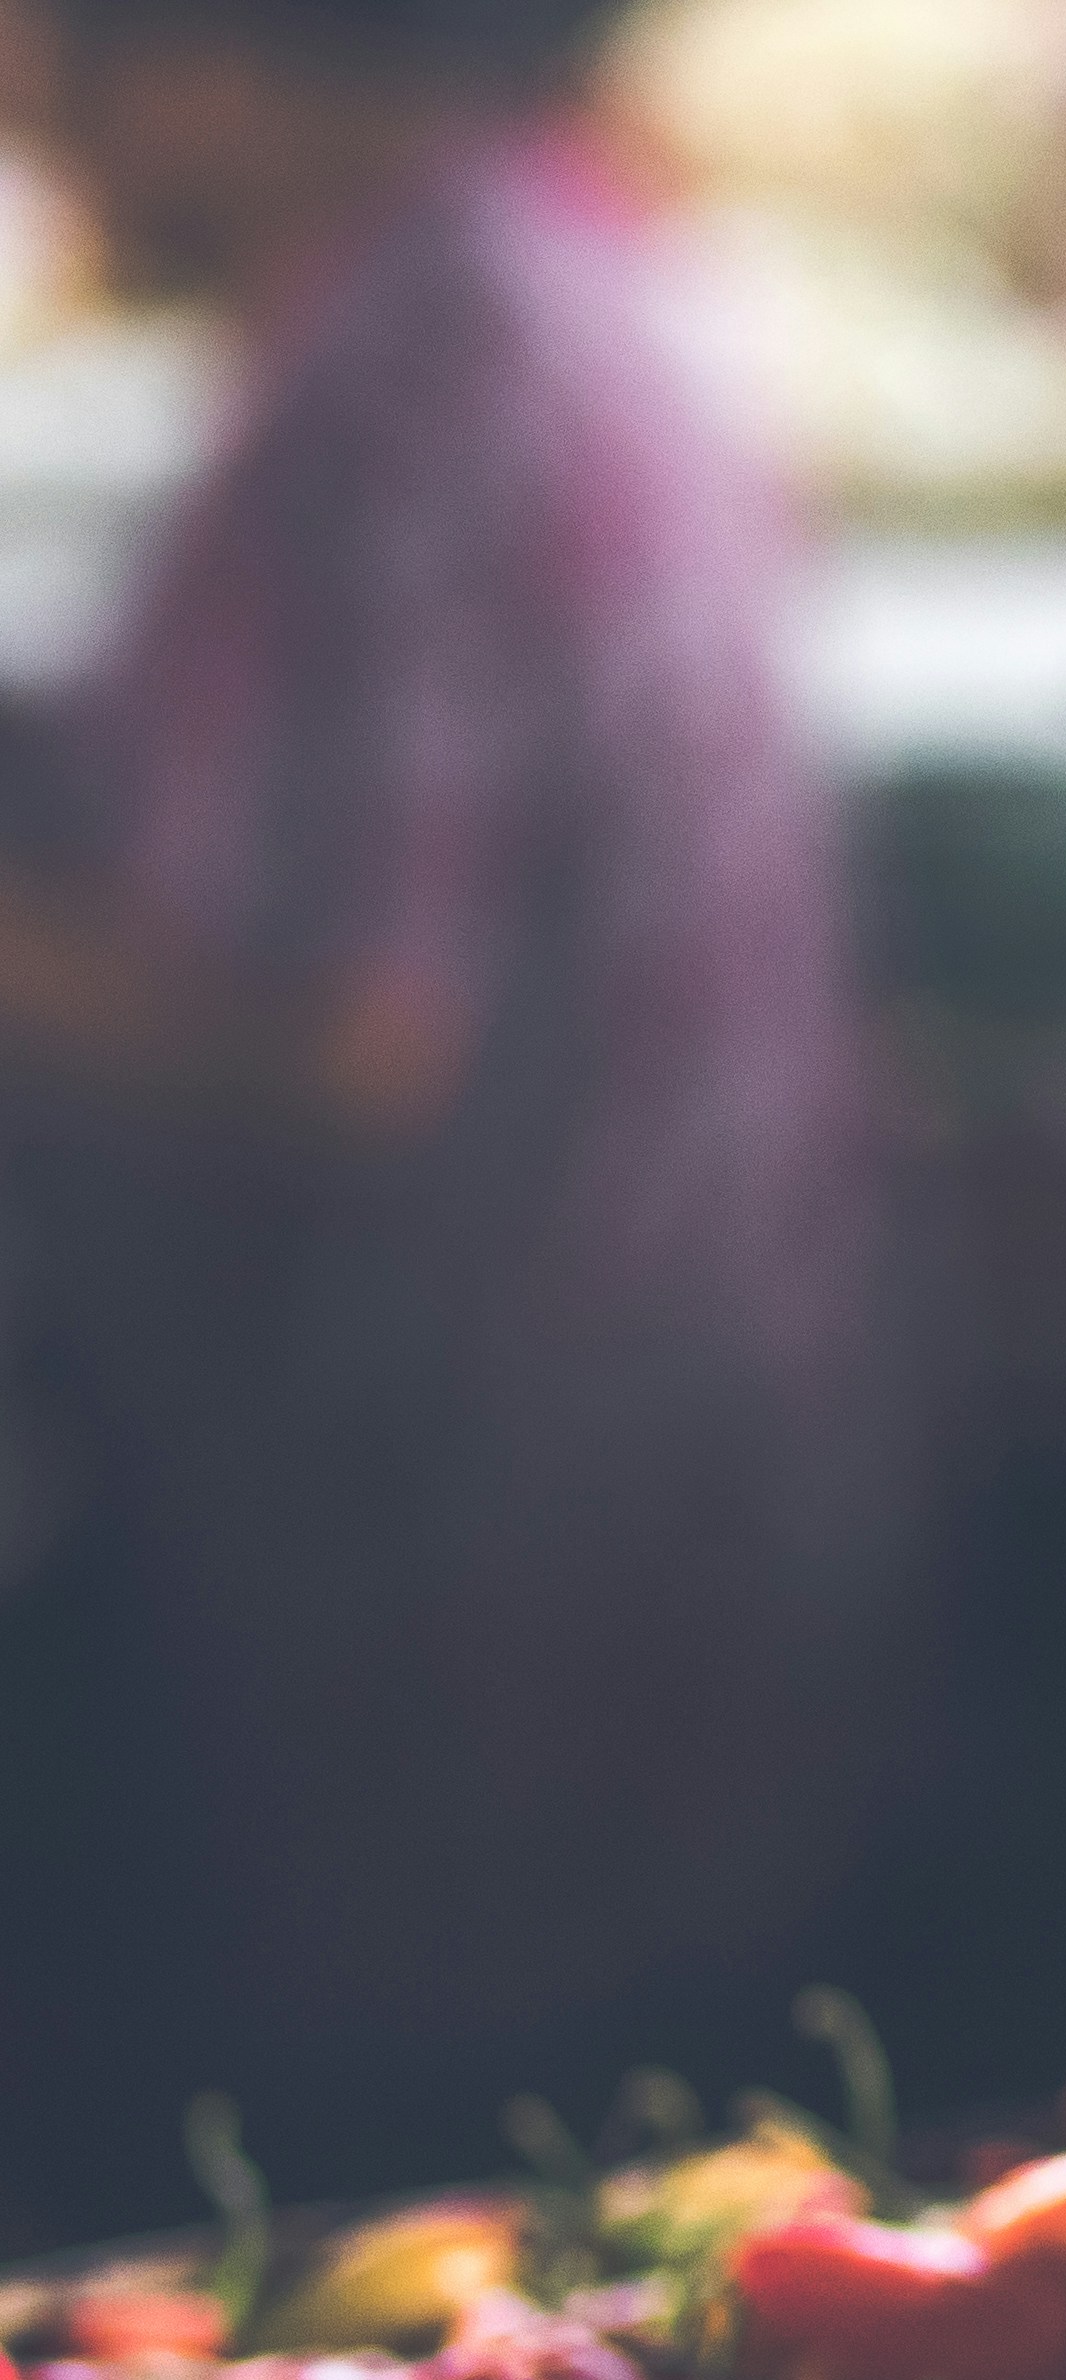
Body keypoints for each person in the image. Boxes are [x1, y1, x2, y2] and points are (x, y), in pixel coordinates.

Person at [0, 0, 901, 2245]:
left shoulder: (397, 368)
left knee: (426, 2274)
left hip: (479, 1479)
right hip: (656, 1414)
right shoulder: (550, 267)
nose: (31, 110)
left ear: (212, 50)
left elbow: (340, 1036)